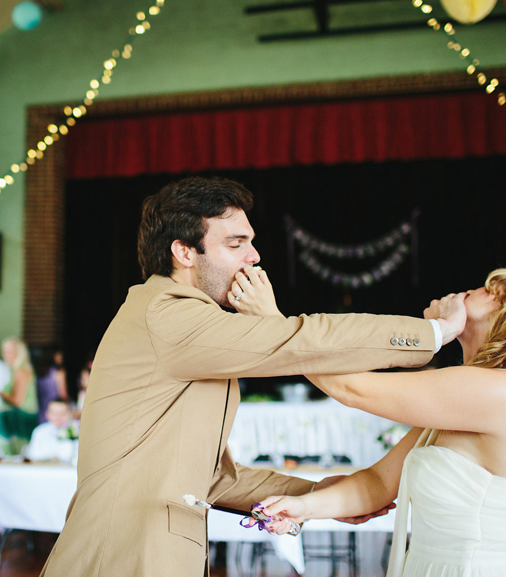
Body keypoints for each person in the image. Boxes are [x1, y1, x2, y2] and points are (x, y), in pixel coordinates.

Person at [39, 176, 465, 577]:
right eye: (236, 244)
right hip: (122, 552)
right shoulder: (167, 313)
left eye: (251, 243)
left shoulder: (184, 324)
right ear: (184, 252)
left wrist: (317, 497)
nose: (254, 257)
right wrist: (432, 333)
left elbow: (213, 476)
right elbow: (300, 340)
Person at [253, 269, 506, 577]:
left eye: (492, 291)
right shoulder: (470, 401)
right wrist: (301, 508)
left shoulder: (501, 391)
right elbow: (377, 485)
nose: (474, 288)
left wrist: (274, 323)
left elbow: (353, 388)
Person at [0, 338, 39, 455]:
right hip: (12, 419)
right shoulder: (12, 371)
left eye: (9, 352)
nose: (5, 355)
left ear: (19, 353)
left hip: (19, 421)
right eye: (4, 351)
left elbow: (17, 401)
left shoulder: (21, 371)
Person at [36, 349, 67, 423]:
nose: (61, 358)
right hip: (56, 410)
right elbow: (63, 394)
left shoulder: (39, 373)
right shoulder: (59, 372)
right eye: (59, 355)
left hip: (42, 410)